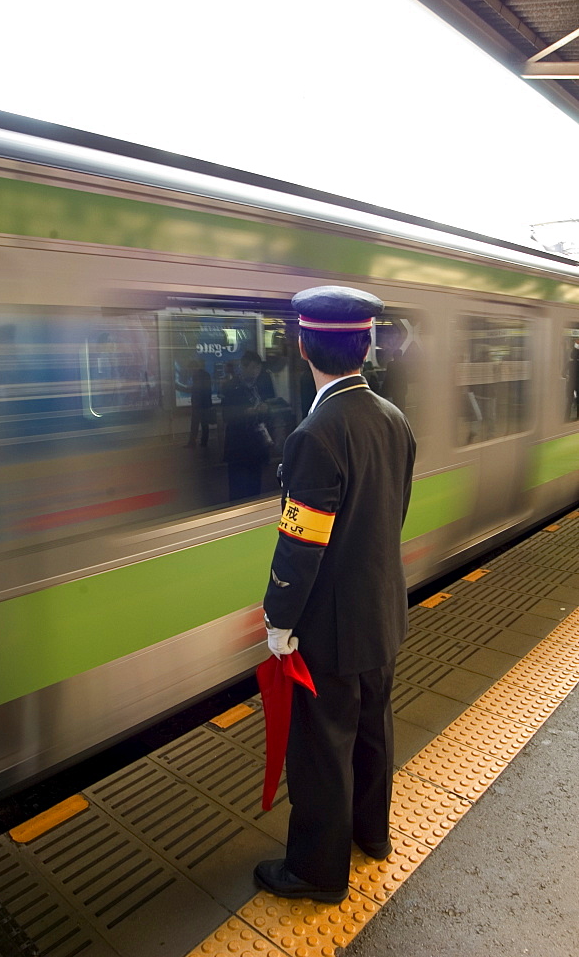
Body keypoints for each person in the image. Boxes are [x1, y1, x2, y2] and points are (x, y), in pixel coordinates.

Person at [254, 286, 416, 904]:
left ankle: (318, 871)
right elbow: (390, 515)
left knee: (323, 747)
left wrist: (279, 619)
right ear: (368, 344)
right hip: (382, 611)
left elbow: (302, 544)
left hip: (331, 627)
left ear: (302, 346)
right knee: (373, 729)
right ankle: (372, 835)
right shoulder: (393, 417)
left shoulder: (315, 433)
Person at [222, 351, 271, 501]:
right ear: (244, 367)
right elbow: (226, 415)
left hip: (256, 444)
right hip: (238, 444)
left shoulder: (261, 385)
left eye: (258, 368)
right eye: (253, 367)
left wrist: (266, 408)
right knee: (238, 488)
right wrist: (245, 412)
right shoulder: (231, 386)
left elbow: (272, 406)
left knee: (255, 486)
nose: (256, 372)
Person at [184, 360, 213, 447]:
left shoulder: (196, 376)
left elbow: (197, 390)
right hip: (206, 404)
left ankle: (192, 442)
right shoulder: (206, 374)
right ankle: (204, 442)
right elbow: (208, 390)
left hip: (198, 404)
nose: (190, 371)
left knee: (195, 424)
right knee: (205, 424)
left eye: (190, 369)